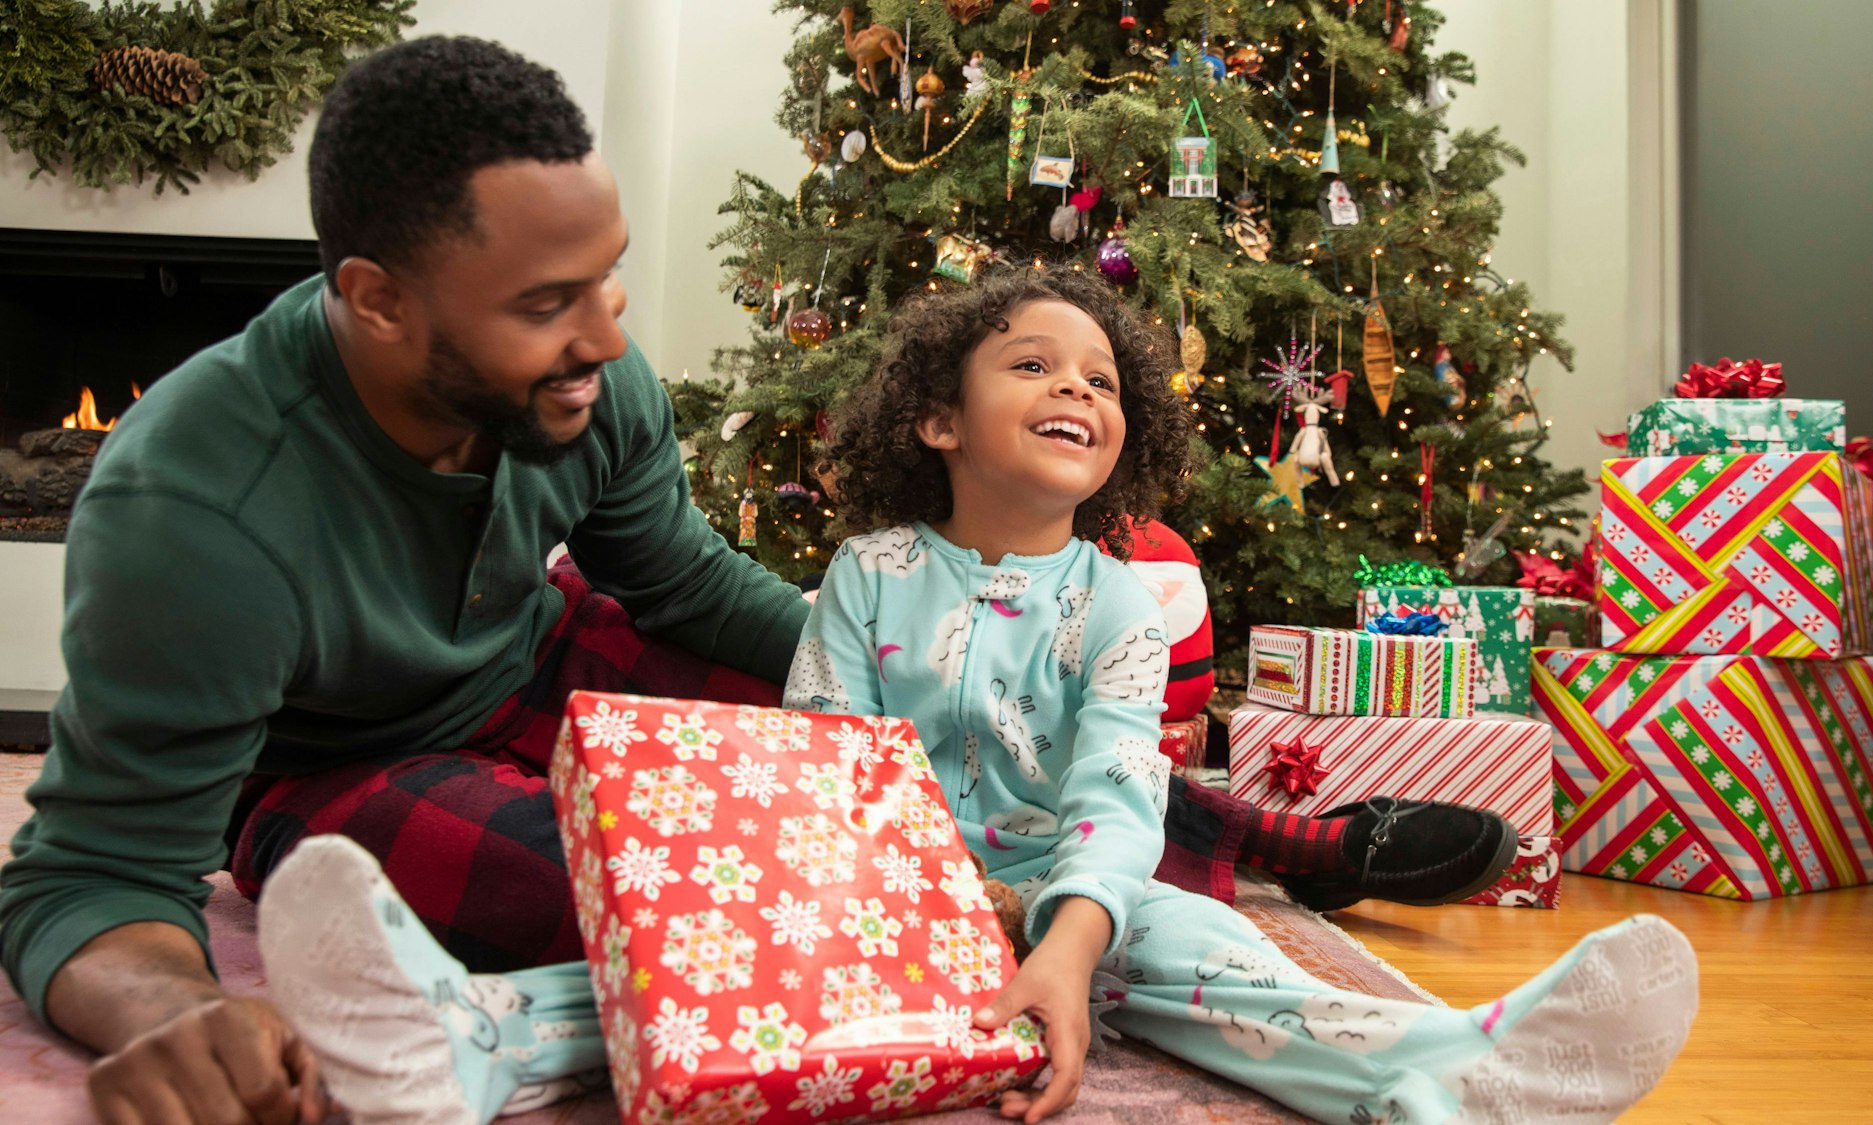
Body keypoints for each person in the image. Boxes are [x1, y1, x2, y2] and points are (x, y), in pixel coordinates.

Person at [1, 35, 1515, 1125]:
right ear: (377, 304)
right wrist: (177, 1011)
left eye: (608, 275)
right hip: (347, 757)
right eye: (547, 304)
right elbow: (90, 874)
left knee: (949, 730)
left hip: (547, 659)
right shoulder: (198, 507)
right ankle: (1011, 909)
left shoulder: (585, 382)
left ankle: (1293, 841)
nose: (606, 336)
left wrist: (917, 670)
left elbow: (676, 582)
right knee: (690, 892)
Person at [254, 269, 1697, 1125]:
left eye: (1102, 378)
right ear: (940, 418)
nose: (1080, 386)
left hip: (1068, 897)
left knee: (1214, 954)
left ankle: (1448, 1066)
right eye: (1034, 364)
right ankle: (471, 1040)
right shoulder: (869, 579)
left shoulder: (1121, 604)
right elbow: (824, 772)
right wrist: (876, 908)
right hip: (875, 896)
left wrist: (1065, 939)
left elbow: (1120, 796)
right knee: (726, 975)